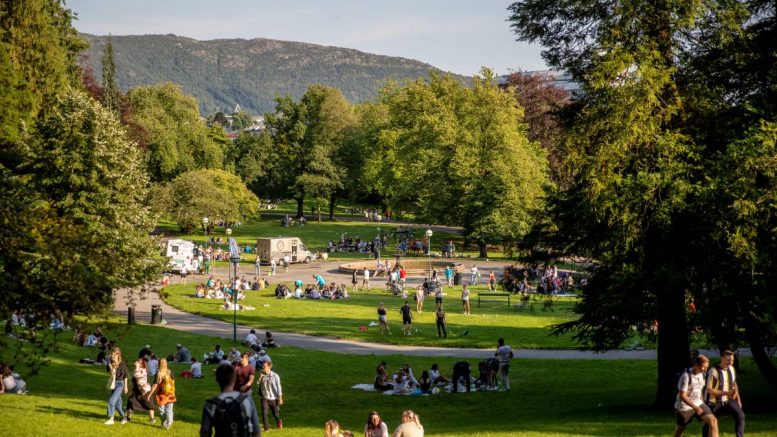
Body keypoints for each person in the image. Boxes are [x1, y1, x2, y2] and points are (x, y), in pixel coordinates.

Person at [199, 364, 260, 437]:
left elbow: (205, 432)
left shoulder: (211, 405)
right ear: (234, 378)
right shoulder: (247, 400)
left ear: (217, 379)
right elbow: (256, 431)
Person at [674, 354, 718, 437]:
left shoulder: (703, 374)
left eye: (706, 367)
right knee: (680, 429)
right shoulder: (686, 376)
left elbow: (699, 389)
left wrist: (702, 402)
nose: (705, 369)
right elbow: (682, 396)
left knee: (713, 421)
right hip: (684, 406)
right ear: (696, 365)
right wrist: (695, 407)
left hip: (698, 403)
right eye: (703, 367)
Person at [703, 350, 744, 437]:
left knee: (740, 415)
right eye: (728, 360)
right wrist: (726, 392)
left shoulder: (732, 369)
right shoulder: (713, 371)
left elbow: (734, 383)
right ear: (722, 358)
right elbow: (709, 389)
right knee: (711, 422)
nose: (730, 362)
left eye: (732, 360)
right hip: (714, 401)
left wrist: (738, 400)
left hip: (728, 400)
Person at [126, 357, 156, 423]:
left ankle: (152, 419)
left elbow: (137, 375)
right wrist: (129, 387)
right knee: (130, 403)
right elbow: (134, 380)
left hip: (145, 391)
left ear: (142, 364)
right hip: (136, 391)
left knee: (149, 405)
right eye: (137, 361)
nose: (137, 362)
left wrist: (137, 367)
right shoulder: (138, 369)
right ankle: (128, 418)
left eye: (138, 362)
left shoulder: (144, 370)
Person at [150, 358, 177, 430]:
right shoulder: (170, 372)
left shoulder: (158, 374)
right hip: (170, 394)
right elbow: (173, 383)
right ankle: (169, 422)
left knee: (162, 411)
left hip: (161, 395)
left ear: (159, 364)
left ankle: (166, 423)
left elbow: (155, 385)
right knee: (169, 410)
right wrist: (173, 392)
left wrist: (150, 394)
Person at [104, 347, 129, 425]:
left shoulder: (123, 364)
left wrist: (125, 386)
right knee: (118, 403)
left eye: (116, 354)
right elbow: (111, 375)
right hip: (113, 384)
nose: (113, 355)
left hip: (120, 384)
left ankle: (111, 419)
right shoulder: (109, 364)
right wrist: (112, 367)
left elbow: (125, 376)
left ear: (119, 355)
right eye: (113, 354)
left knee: (111, 401)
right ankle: (124, 417)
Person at [258, 360, 283, 431]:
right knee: (264, 413)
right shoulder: (262, 375)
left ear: (270, 367)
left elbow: (279, 387)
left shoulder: (275, 376)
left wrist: (280, 397)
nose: (263, 367)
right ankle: (266, 429)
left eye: (265, 366)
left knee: (275, 413)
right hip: (264, 397)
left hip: (273, 398)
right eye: (263, 366)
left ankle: (279, 421)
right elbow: (257, 384)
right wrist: (260, 378)